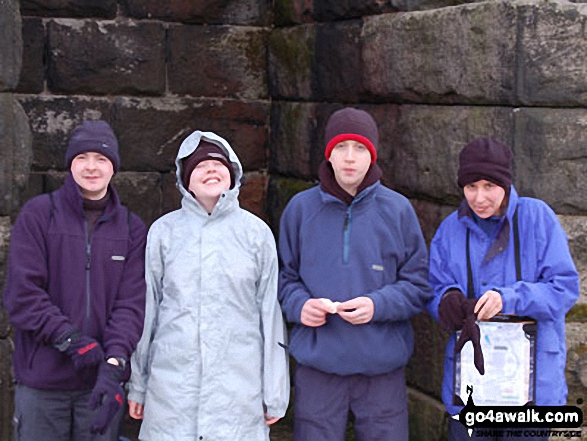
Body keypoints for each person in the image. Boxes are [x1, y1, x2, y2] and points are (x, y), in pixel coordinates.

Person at [278, 107, 432, 441]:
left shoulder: (398, 210)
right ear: (328, 154)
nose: (350, 157)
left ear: (372, 155)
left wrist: (378, 306)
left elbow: (419, 284)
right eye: (341, 147)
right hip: (318, 368)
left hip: (382, 370)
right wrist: (300, 306)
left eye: (360, 148)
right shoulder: (300, 210)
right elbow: (282, 278)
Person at [127, 130, 290, 440]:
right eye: (200, 166)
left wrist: (276, 391)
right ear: (185, 179)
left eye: (218, 164)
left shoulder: (256, 234)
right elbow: (147, 312)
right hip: (172, 393)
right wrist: (138, 384)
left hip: (237, 394)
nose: (211, 170)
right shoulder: (163, 233)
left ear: (233, 174)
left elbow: (269, 316)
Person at [427, 137, 579, 441]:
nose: (479, 197)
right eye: (471, 187)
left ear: (506, 184)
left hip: (531, 392)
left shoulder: (538, 219)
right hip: (472, 387)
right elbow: (432, 288)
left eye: (489, 186)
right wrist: (447, 300)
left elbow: (564, 289)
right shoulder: (449, 229)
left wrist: (509, 298)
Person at [3, 120, 147, 440]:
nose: (91, 167)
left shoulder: (132, 229)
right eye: (82, 158)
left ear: (114, 167)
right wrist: (70, 340)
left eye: (102, 159)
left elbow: (131, 304)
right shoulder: (39, 215)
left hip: (99, 386)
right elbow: (22, 294)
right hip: (41, 385)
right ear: (70, 164)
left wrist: (114, 364)